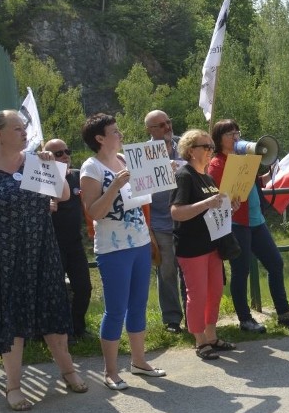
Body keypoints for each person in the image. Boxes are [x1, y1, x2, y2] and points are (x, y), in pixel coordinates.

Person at [0, 110, 87, 411]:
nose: (24, 132)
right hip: (3, 255)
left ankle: (68, 371)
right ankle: (13, 387)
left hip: (42, 250)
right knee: (12, 317)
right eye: (16, 128)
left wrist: (51, 167)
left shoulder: (35, 162)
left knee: (53, 310)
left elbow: (64, 195)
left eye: (24, 127)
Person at [80, 113, 166, 391]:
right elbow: (94, 212)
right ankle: (110, 371)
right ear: (100, 138)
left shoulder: (128, 160)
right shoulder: (90, 168)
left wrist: (163, 170)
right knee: (116, 310)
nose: (121, 135)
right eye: (115, 132)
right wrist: (115, 185)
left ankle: (139, 361)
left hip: (139, 242)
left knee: (139, 305)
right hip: (113, 248)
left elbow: (145, 194)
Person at [208, 119, 289, 332]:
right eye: (229, 133)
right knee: (241, 271)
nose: (236, 136)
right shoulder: (217, 163)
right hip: (237, 223)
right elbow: (219, 192)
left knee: (275, 263)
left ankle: (283, 312)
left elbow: (254, 185)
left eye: (237, 131)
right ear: (219, 139)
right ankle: (245, 319)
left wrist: (269, 173)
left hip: (256, 221)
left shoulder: (244, 158)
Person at [171, 130, 240, 361]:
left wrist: (229, 208)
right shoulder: (184, 175)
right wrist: (207, 203)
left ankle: (211, 335)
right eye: (206, 146)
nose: (211, 150)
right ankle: (199, 340)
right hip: (191, 247)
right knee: (197, 294)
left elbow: (212, 210)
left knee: (215, 292)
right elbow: (177, 212)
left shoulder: (207, 177)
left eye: (212, 146)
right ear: (192, 150)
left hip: (212, 244)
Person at [44, 138, 92, 343]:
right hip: (51, 245)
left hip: (74, 242)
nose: (65, 156)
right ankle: (58, 332)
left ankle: (78, 327)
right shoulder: (41, 178)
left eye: (67, 151)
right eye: (58, 154)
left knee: (84, 287)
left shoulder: (78, 176)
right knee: (55, 291)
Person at [144, 110, 185, 334]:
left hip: (188, 218)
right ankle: (172, 319)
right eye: (160, 125)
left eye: (168, 122)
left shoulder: (184, 145)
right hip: (160, 220)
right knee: (167, 270)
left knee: (189, 269)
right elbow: (139, 188)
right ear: (150, 130)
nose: (167, 127)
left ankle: (195, 317)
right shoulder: (143, 153)